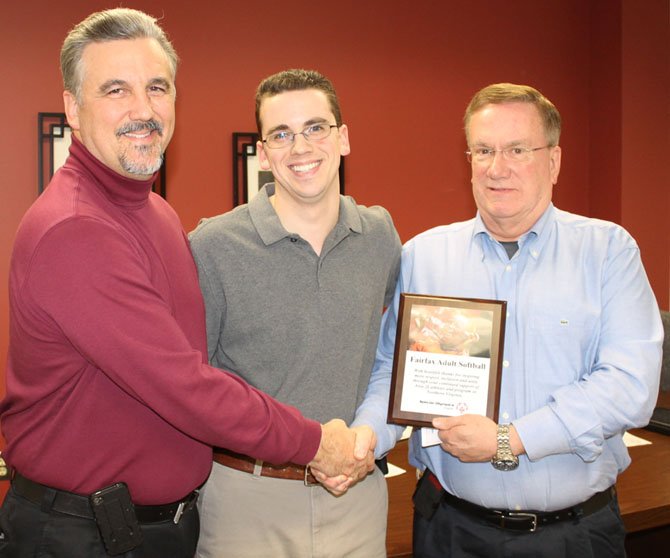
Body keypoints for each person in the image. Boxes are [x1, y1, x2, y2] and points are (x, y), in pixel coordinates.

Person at [0, 10, 367, 558]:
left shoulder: (155, 212)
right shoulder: (77, 228)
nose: (143, 110)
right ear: (73, 109)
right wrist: (315, 443)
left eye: (157, 87)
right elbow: (183, 384)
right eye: (115, 90)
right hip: (83, 535)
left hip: (158, 528)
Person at [355, 83, 663, 558]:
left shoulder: (607, 251)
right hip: (450, 530)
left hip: (575, 535)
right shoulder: (424, 257)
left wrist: (508, 440)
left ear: (554, 161)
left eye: (517, 149)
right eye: (483, 150)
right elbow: (388, 373)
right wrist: (363, 440)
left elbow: (629, 386)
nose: (497, 167)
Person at [189, 69, 401, 558]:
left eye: (315, 127)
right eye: (281, 134)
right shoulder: (212, 246)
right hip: (248, 500)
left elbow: (391, 351)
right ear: (262, 152)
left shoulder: (379, 235)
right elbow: (192, 384)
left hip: (357, 497)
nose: (300, 147)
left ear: (343, 138)